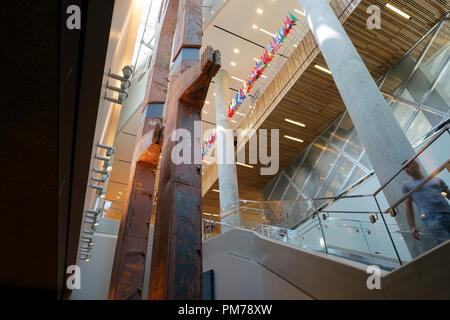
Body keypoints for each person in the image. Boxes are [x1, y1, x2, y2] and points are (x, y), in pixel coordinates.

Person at [402, 160, 450, 244]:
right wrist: (412, 226)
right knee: (445, 243)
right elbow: (408, 206)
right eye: (404, 168)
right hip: (431, 217)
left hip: (447, 212)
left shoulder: (436, 179)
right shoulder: (407, 185)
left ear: (416, 164)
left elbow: (447, 194)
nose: (406, 170)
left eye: (408, 166)